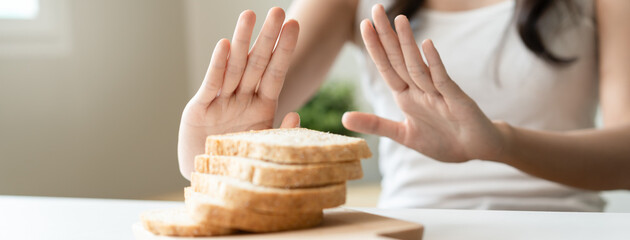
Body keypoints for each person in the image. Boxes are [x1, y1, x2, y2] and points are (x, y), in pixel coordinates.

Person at [178, 0, 630, 211]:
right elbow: (238, 127)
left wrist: (501, 143)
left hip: (559, 227)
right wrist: (210, 151)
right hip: (412, 226)